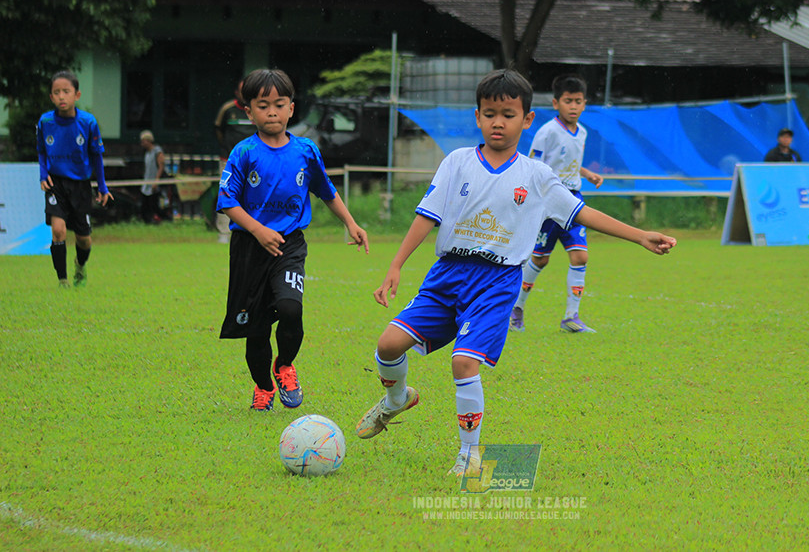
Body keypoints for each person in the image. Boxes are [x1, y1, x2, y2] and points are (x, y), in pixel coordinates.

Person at [355, 69, 676, 476]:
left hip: (497, 281)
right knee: (387, 345)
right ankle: (397, 399)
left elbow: (582, 212)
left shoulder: (538, 176)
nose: (498, 122)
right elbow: (427, 216)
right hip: (447, 274)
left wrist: (639, 235)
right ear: (477, 116)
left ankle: (469, 455)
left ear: (526, 119)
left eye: (508, 114)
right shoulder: (456, 163)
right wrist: (396, 266)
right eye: (490, 113)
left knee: (463, 363)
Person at [216, 68, 369, 412]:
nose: (271, 111)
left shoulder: (305, 150)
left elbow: (326, 191)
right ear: (249, 112)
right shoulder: (243, 152)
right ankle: (264, 386)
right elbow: (226, 201)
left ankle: (284, 365)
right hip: (249, 249)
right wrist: (257, 229)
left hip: (289, 245)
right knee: (254, 331)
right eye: (263, 105)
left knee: (290, 308)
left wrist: (351, 223)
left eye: (279, 104)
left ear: (291, 109)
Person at [509, 73, 604, 334]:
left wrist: (586, 174)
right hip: (549, 203)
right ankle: (517, 309)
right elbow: (534, 164)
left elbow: (568, 162)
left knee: (580, 255)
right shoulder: (546, 132)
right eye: (568, 101)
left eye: (578, 101)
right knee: (540, 260)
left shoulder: (582, 132)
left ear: (585, 104)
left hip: (573, 199)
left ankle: (571, 317)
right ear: (555, 103)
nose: (573, 106)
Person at [36, 70, 113, 289]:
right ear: (51, 97)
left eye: (66, 92)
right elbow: (41, 150)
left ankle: (80, 265)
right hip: (55, 183)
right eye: (56, 92)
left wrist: (102, 186)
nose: (61, 96)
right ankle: (62, 280)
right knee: (58, 230)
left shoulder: (88, 123)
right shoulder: (45, 121)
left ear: (76, 95)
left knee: (84, 238)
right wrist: (43, 175)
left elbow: (96, 155)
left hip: (80, 184)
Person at [213, 81, 254, 243]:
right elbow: (218, 130)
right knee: (227, 193)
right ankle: (223, 233)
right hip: (228, 159)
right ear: (237, 92)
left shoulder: (258, 108)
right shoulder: (227, 109)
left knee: (253, 194)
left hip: (253, 162)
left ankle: (251, 230)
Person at [139, 130, 166, 224]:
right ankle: (147, 220)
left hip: (154, 182)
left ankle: (161, 219)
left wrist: (156, 180)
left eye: (143, 141)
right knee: (145, 204)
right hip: (146, 182)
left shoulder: (157, 151)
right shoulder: (147, 153)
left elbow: (161, 167)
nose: (142, 143)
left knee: (154, 204)